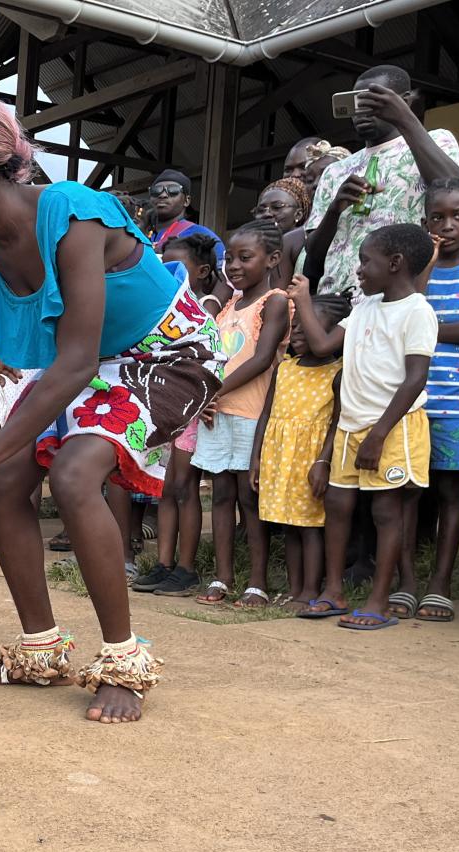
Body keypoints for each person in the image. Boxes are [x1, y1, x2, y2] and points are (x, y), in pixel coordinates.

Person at [0, 93, 223, 723]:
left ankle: (122, 661)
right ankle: (41, 650)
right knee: (6, 479)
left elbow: (77, 361)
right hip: (86, 361)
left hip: (168, 352)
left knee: (70, 473)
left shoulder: (70, 213)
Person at [292, 225, 437, 630]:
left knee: (386, 511)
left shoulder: (417, 311)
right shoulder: (364, 308)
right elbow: (322, 346)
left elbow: (415, 378)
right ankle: (334, 591)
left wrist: (378, 434)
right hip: (350, 426)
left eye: (365, 260)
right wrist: (302, 300)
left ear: (395, 264)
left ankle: (380, 601)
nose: (358, 269)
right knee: (338, 506)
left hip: (392, 428)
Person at [304, 65, 459, 298]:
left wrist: (405, 119)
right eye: (356, 104)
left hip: (399, 302)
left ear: (405, 101)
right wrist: (334, 210)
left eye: (373, 102)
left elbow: (456, 190)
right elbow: (314, 253)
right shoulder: (333, 171)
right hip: (336, 302)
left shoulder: (436, 140)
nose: (361, 112)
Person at [193, 220, 289, 609]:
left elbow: (263, 358)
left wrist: (213, 391)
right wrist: (205, 398)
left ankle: (257, 582)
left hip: (251, 413)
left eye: (244, 258)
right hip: (218, 412)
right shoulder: (230, 304)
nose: (233, 265)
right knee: (220, 496)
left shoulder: (276, 301)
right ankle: (223, 576)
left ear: (273, 259)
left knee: (250, 500)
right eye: (229, 258)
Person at [396, 178, 459, 621]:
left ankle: (440, 584)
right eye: (437, 218)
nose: (447, 226)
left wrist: (421, 332)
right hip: (412, 399)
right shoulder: (415, 269)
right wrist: (424, 263)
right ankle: (407, 583)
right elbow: (408, 303)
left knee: (449, 490)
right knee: (407, 491)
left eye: (458, 217)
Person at [132, 233, 224, 597]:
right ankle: (164, 564)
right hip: (168, 409)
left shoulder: (205, 310)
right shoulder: (161, 308)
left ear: (201, 272)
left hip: (194, 409)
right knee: (166, 490)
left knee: (185, 489)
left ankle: (186, 568)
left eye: (178, 266)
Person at [251, 293, 348, 608]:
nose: (300, 334)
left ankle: (309, 589)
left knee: (310, 527)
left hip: (310, 462)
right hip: (280, 458)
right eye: (297, 327)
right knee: (289, 525)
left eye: (310, 327)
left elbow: (337, 422)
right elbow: (266, 414)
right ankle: (295, 590)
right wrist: (256, 459)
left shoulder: (339, 372)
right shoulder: (285, 367)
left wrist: (323, 461)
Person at [147, 169, 225, 267]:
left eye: (173, 190)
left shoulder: (203, 236)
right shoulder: (140, 233)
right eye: (156, 190)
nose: (163, 195)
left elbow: (219, 275)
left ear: (187, 201)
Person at [255, 177, 311, 288]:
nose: (267, 214)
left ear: (298, 214)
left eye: (277, 207)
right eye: (261, 210)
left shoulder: (303, 244)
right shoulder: (245, 248)